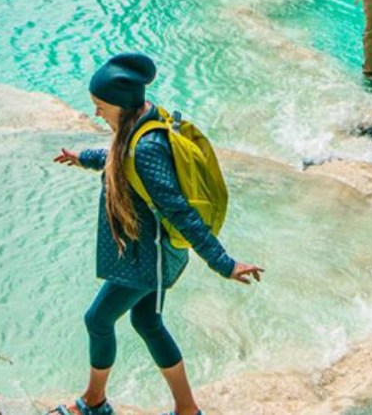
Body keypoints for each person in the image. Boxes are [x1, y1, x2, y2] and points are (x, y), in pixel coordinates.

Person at [51, 53, 264, 415]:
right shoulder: (143, 120)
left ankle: (94, 402)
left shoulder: (146, 146)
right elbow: (119, 156)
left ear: (120, 104)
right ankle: (187, 410)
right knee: (147, 321)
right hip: (153, 253)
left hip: (149, 259)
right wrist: (83, 157)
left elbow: (181, 212)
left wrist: (224, 264)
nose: (97, 114)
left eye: (101, 107)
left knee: (98, 319)